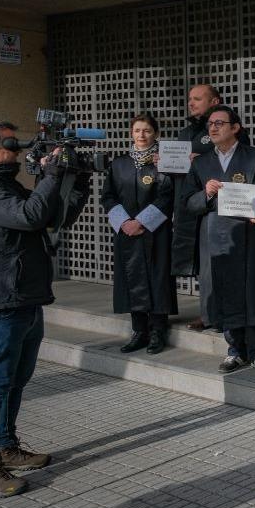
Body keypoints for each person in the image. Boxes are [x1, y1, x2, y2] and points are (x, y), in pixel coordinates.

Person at [0, 118, 90, 497]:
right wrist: (50, 175)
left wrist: (74, 180)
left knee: (15, 381)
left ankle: (5, 446)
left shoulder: (3, 183)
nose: (16, 150)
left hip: (24, 298)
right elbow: (28, 216)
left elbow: (51, 219)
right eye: (8, 144)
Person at [180, 105, 255, 375]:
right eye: (210, 124)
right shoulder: (201, 163)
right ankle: (235, 349)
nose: (213, 128)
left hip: (249, 233)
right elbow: (187, 201)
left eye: (220, 123)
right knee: (225, 290)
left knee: (252, 290)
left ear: (235, 128)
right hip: (217, 235)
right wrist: (206, 194)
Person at [100, 112, 177, 355]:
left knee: (157, 278)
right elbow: (108, 196)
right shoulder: (118, 163)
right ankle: (139, 330)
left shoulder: (163, 162)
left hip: (155, 231)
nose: (141, 135)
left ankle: (157, 330)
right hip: (126, 232)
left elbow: (168, 195)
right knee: (131, 277)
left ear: (156, 133)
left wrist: (142, 221)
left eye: (147, 130)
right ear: (131, 133)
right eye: (137, 131)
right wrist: (124, 222)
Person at [171, 83, 220, 331]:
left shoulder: (225, 128)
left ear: (214, 101)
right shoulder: (185, 133)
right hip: (191, 205)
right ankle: (208, 312)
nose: (191, 103)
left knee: (218, 263)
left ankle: (222, 313)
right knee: (202, 265)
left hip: (217, 206)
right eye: (190, 99)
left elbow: (232, 159)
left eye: (198, 99)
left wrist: (203, 160)